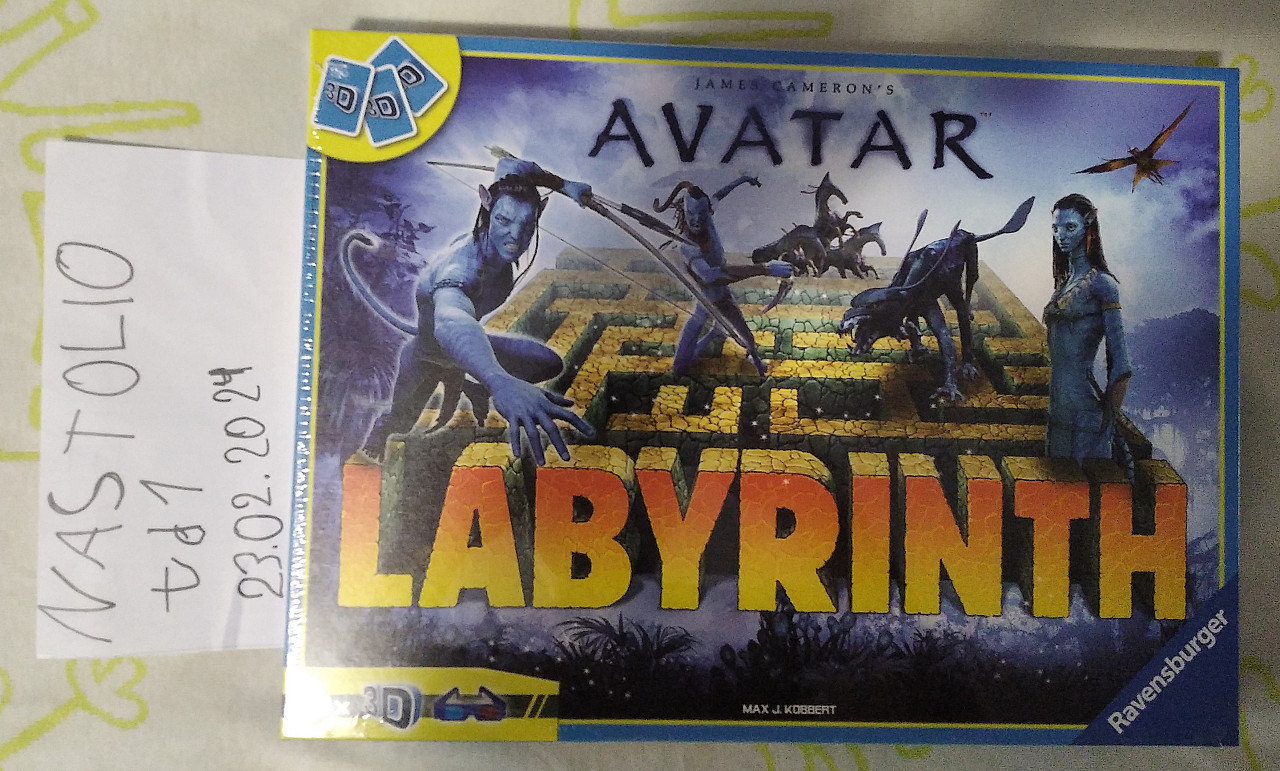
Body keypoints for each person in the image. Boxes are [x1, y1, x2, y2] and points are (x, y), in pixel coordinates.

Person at [361, 156, 594, 465]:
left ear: (540, 212)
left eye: (527, 224)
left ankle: (472, 375)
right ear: (486, 203)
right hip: (427, 355)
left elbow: (513, 164)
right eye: (504, 221)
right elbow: (451, 319)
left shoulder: (505, 190)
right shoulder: (460, 271)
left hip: (468, 346)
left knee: (548, 363)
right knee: (399, 423)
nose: (516, 236)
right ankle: (387, 424)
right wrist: (498, 381)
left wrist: (565, 185)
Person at [653, 176, 794, 377]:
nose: (697, 219)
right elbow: (711, 276)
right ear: (685, 212)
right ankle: (713, 335)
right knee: (679, 368)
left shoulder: (707, 219)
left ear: (707, 211)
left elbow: (720, 194)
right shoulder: (686, 246)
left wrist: (744, 179)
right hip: (705, 304)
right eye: (691, 214)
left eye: (702, 213)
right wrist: (765, 269)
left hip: (724, 298)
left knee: (747, 337)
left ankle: (755, 359)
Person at [1042, 193, 1132, 463]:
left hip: (1087, 418)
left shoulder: (1102, 284)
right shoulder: (1064, 283)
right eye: (1056, 228)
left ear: (1088, 226)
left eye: (1070, 227)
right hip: (1057, 415)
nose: (1061, 236)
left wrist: (1107, 424)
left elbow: (1121, 365)